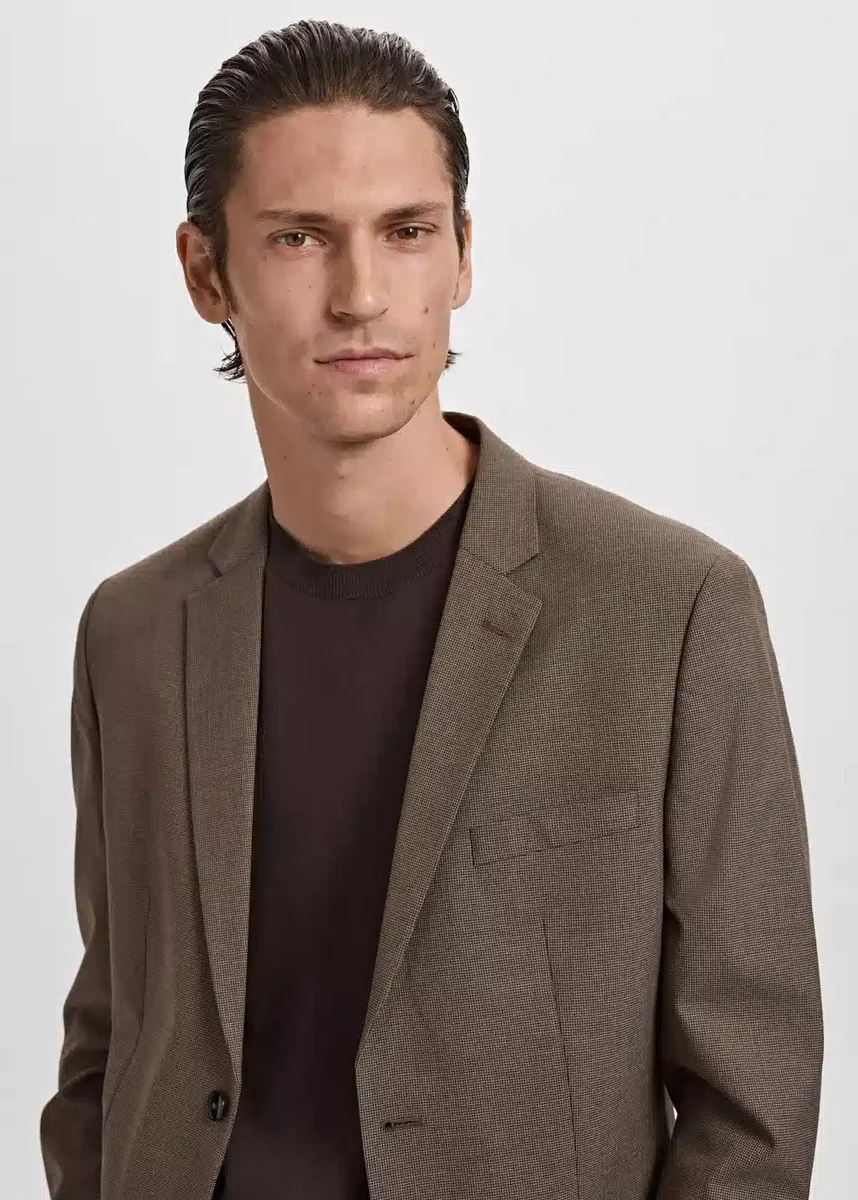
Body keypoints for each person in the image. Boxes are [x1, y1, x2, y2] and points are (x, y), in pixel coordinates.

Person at [39, 18, 824, 1200]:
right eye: (299, 237)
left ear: (461, 256)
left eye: (406, 233)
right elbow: (111, 1043)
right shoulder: (134, 633)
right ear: (206, 273)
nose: (362, 296)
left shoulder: (673, 611)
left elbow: (753, 1100)